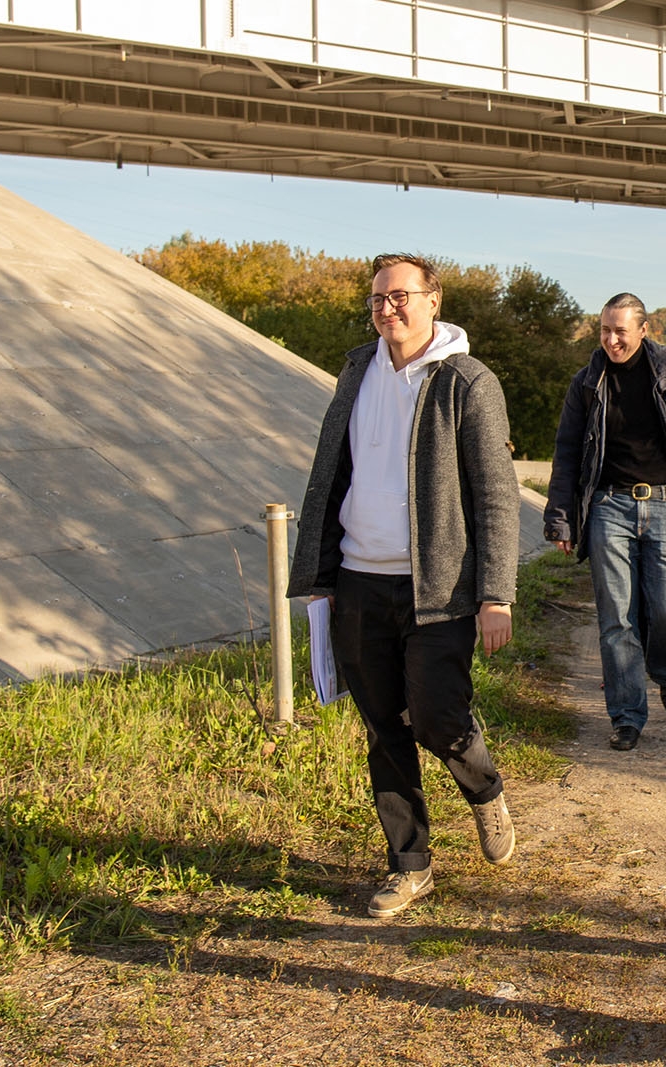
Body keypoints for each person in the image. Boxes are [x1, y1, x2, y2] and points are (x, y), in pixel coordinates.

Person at [288, 252, 520, 918]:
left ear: (432, 300)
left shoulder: (467, 382)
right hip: (360, 580)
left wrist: (496, 595)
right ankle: (410, 865)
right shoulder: (357, 370)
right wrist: (322, 573)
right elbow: (331, 473)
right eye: (377, 299)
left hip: (438, 590)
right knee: (384, 727)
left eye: (400, 296)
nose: (387, 308)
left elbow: (496, 494)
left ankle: (483, 788)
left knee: (439, 715)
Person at [543, 293, 666, 752]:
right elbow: (567, 450)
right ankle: (626, 717)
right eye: (605, 330)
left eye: (620, 330)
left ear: (643, 329)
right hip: (608, 508)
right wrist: (561, 518)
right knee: (617, 618)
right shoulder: (587, 381)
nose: (611, 339)